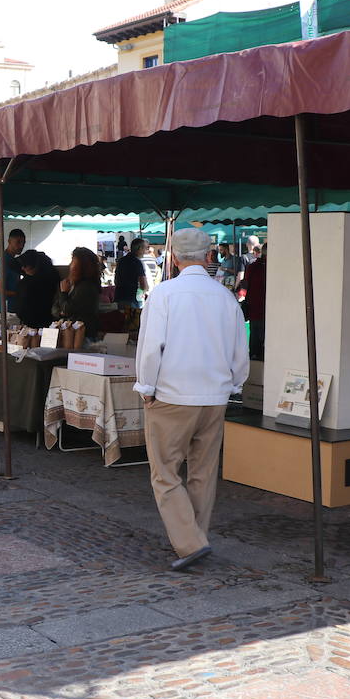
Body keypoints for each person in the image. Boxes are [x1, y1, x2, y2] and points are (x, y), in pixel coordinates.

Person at [134, 227, 248, 571]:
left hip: (173, 394)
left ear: (173, 256)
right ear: (208, 255)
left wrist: (146, 387)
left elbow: (151, 348)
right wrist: (235, 386)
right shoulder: (225, 297)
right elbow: (238, 351)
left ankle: (190, 542)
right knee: (203, 470)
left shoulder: (165, 293)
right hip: (214, 395)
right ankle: (197, 537)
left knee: (165, 472)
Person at [56, 247, 102, 337]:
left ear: (82, 265)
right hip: (75, 333)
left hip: (82, 334)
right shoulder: (75, 284)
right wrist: (60, 311)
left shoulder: (86, 286)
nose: (70, 265)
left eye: (73, 261)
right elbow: (55, 307)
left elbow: (68, 309)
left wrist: (64, 293)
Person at [14, 250, 60, 328]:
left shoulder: (26, 283)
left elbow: (22, 307)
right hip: (48, 322)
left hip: (31, 323)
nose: (22, 268)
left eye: (25, 265)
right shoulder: (53, 277)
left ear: (34, 266)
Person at [242, 244, 267, 360]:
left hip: (255, 307)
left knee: (255, 335)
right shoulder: (257, 267)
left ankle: (254, 356)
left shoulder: (253, 267)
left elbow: (245, 286)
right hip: (259, 307)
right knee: (259, 335)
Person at [0, 228, 26, 313]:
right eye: (18, 242)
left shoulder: (12, 260)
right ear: (9, 241)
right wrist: (22, 293)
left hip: (11, 308)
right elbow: (1, 290)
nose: (21, 246)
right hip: (5, 310)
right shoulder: (4, 261)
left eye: (23, 243)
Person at [115, 238, 148, 313]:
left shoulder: (121, 261)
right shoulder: (137, 262)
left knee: (121, 321)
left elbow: (116, 280)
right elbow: (144, 285)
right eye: (144, 249)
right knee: (132, 323)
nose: (145, 252)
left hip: (119, 297)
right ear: (139, 248)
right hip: (131, 298)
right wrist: (145, 290)